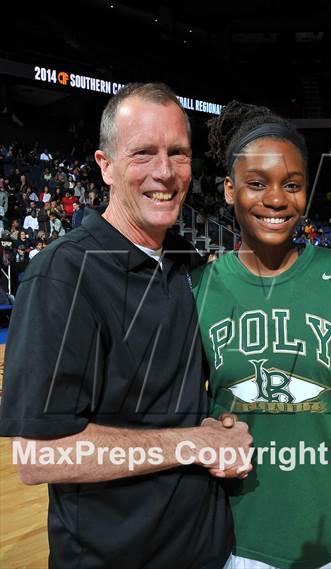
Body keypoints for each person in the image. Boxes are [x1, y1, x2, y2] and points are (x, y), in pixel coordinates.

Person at [0, 83, 253, 569]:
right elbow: (37, 457)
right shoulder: (64, 275)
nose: (164, 171)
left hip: (208, 553)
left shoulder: (185, 260)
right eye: (143, 153)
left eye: (178, 153)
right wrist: (193, 443)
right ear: (105, 165)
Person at [193, 101, 331, 569]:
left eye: (292, 185)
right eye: (256, 184)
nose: (276, 199)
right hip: (236, 542)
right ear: (229, 189)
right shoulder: (199, 290)